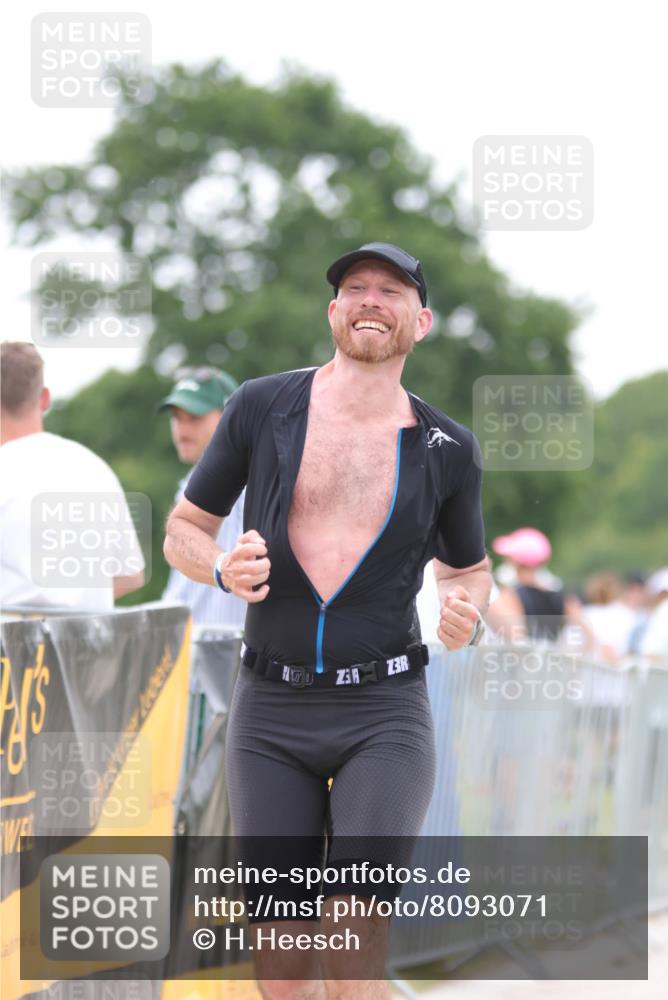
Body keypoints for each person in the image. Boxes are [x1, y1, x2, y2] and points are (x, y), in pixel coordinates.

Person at [163, 242, 492, 999]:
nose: (371, 299)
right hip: (270, 709)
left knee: (349, 947)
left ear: (422, 319)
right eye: (355, 287)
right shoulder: (261, 405)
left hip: (383, 710)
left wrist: (466, 613)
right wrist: (217, 567)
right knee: (280, 973)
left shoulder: (449, 448)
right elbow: (183, 527)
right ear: (333, 311)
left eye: (392, 290)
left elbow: (468, 569)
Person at [0, 341, 144, 611]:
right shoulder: (96, 468)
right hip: (91, 646)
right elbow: (130, 575)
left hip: (10, 648)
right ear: (44, 398)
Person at [158, 366, 246, 630]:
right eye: (177, 417)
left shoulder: (249, 482)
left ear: (230, 417)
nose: (182, 429)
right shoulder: (190, 483)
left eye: (194, 418)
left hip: (227, 655)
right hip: (191, 653)